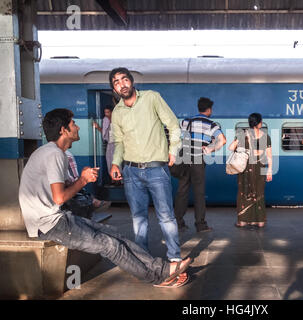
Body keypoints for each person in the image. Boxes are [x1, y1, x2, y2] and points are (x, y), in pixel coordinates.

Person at [18, 108, 191, 288]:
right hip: (47, 225)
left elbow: (60, 191)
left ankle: (162, 268)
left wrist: (80, 180)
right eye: (73, 124)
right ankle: (159, 277)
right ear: (63, 130)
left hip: (56, 218)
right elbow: (60, 197)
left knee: (114, 234)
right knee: (110, 245)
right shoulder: (54, 154)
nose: (77, 127)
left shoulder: (52, 152)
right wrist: (83, 180)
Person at [108, 67, 183, 263]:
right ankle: (143, 260)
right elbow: (120, 142)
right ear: (114, 89)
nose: (121, 84)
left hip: (156, 169)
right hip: (131, 171)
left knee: (166, 217)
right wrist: (116, 164)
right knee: (138, 218)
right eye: (116, 82)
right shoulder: (117, 113)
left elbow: (173, 125)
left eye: (124, 79)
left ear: (131, 81)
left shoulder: (151, 98)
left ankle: (174, 259)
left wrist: (173, 151)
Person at [174, 97, 226, 233]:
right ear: (208, 110)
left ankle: (178, 223)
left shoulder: (186, 121)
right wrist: (210, 149)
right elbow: (222, 140)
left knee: (182, 191)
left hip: (184, 157)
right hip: (198, 158)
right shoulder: (211, 124)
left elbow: (175, 133)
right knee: (199, 193)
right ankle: (200, 224)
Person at [229, 113, 273, 228]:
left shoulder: (242, 134)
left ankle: (243, 221)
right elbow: (269, 155)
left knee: (244, 192)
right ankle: (259, 221)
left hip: (246, 167)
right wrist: (269, 170)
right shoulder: (265, 136)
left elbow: (231, 148)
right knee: (259, 193)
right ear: (259, 123)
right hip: (260, 167)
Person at [93, 106, 115, 182]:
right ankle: (113, 180)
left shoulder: (117, 119)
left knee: (116, 162)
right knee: (109, 161)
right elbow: (104, 132)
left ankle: (118, 180)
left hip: (117, 144)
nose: (106, 114)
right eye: (105, 112)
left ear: (112, 112)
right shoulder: (105, 120)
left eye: (108, 112)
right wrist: (97, 127)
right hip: (109, 143)